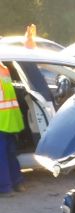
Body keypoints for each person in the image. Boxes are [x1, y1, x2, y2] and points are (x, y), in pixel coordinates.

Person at [0, 61, 25, 196]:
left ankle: (4, 188)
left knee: (1, 156)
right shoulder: (3, 68)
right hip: (9, 119)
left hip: (1, 121)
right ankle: (17, 182)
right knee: (10, 153)